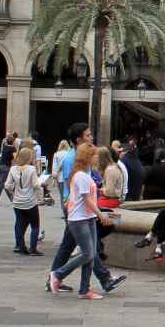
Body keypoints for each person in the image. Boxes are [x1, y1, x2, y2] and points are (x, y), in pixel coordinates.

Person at [47, 143, 123, 299]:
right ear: (87, 157)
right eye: (93, 155)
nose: (96, 157)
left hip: (87, 218)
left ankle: (85, 289)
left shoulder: (85, 174)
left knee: (90, 253)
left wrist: (97, 215)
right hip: (79, 219)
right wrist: (101, 215)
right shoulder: (81, 176)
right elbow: (87, 200)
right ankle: (58, 274)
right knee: (88, 254)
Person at [46, 123, 93, 274]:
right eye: (88, 135)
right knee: (87, 248)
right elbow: (70, 183)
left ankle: (54, 276)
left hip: (80, 207)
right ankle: (56, 276)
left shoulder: (83, 156)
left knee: (71, 245)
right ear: (79, 140)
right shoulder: (71, 158)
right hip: (76, 207)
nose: (91, 137)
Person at [0, 131, 16, 205]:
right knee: (2, 184)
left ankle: (13, 199)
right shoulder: (12, 148)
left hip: (1, 166)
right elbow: (15, 158)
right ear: (13, 141)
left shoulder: (5, 147)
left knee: (5, 184)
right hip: (6, 167)